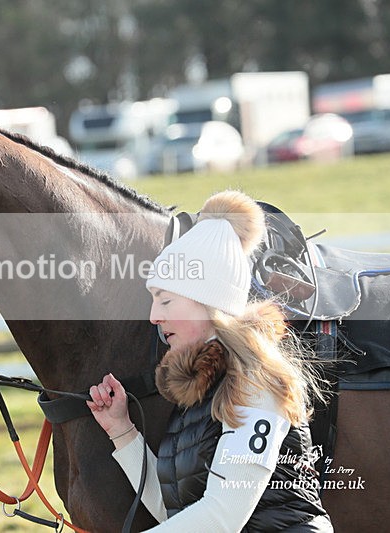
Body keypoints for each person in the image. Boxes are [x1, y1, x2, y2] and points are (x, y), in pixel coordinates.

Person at [87, 190, 333, 532]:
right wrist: (122, 430)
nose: (154, 316)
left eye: (166, 301)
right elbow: (173, 510)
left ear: (207, 303)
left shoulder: (255, 382)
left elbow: (222, 516)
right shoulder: (201, 390)